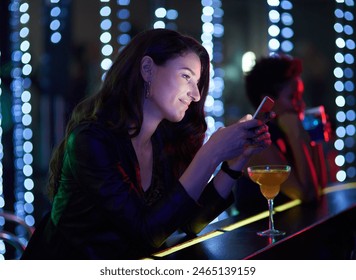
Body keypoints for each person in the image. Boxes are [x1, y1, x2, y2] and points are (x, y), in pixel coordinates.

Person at [21, 29, 272, 260]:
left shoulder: (162, 142)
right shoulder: (91, 141)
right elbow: (145, 233)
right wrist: (211, 152)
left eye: (197, 83)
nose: (195, 94)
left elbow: (187, 222)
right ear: (148, 69)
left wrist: (235, 163)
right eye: (186, 76)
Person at [234, 54, 328, 215]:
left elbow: (320, 187)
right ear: (268, 101)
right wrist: (296, 136)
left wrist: (315, 138)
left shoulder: (284, 130)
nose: (301, 104)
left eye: (300, 96)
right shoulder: (256, 139)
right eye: (293, 97)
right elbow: (307, 195)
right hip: (257, 235)